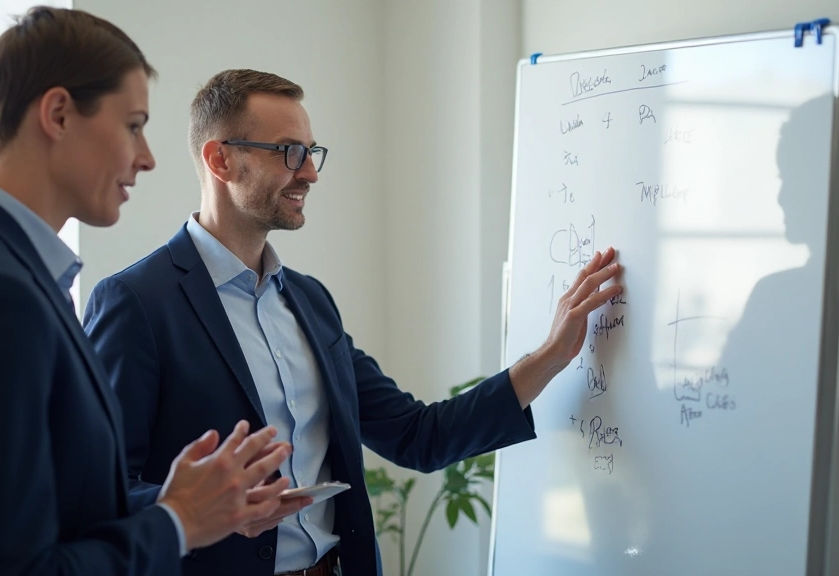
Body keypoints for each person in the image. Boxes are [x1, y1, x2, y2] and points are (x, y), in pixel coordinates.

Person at [83, 68, 622, 575]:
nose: (311, 172)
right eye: (290, 153)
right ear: (221, 161)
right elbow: (96, 496)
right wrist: (201, 510)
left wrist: (551, 355)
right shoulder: (135, 303)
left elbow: (418, 436)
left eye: (312, 152)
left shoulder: (311, 303)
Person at [0, 14, 290, 576]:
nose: (147, 157)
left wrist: (184, 505)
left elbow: (40, 511)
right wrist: (176, 523)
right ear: (59, 114)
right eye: (133, 125)